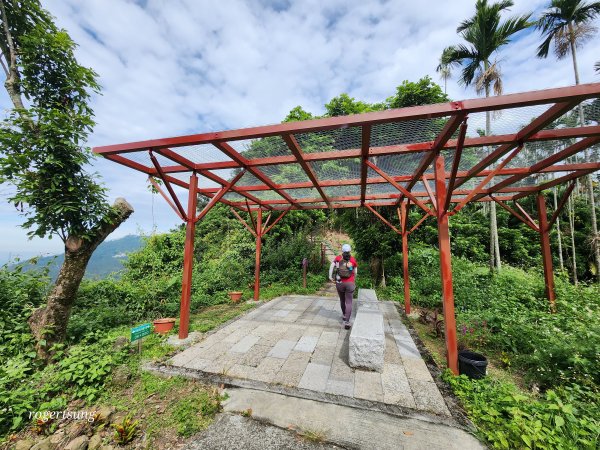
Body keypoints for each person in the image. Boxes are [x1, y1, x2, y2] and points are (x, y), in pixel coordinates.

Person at [329, 244, 358, 330]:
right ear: (350, 251)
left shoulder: (338, 258)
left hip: (339, 283)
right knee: (349, 302)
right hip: (350, 283)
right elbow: (355, 271)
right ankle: (347, 322)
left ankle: (344, 315)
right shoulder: (352, 260)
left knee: (342, 300)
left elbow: (331, 266)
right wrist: (354, 279)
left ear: (342, 250)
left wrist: (330, 277)